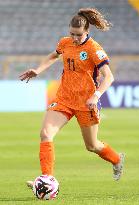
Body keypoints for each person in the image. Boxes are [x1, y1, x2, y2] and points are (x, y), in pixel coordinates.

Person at [19, 8, 125, 187]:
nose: (74, 38)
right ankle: (47, 179)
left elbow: (109, 77)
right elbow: (54, 55)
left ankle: (116, 159)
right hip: (64, 99)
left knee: (92, 146)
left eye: (78, 35)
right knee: (45, 134)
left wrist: (96, 95)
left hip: (86, 103)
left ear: (87, 32)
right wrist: (38, 70)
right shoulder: (65, 43)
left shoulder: (94, 49)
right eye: (71, 34)